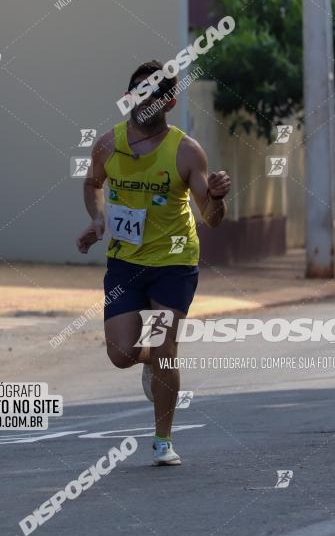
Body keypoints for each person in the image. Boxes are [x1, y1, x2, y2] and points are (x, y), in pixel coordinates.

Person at [77, 61, 230, 465]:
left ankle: (163, 439)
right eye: (136, 91)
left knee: (165, 347)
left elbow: (210, 219)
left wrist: (215, 198)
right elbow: (92, 182)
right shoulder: (108, 144)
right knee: (121, 353)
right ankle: (151, 364)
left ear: (169, 101)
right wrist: (98, 219)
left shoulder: (184, 151)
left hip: (173, 263)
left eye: (151, 93)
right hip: (125, 263)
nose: (141, 100)